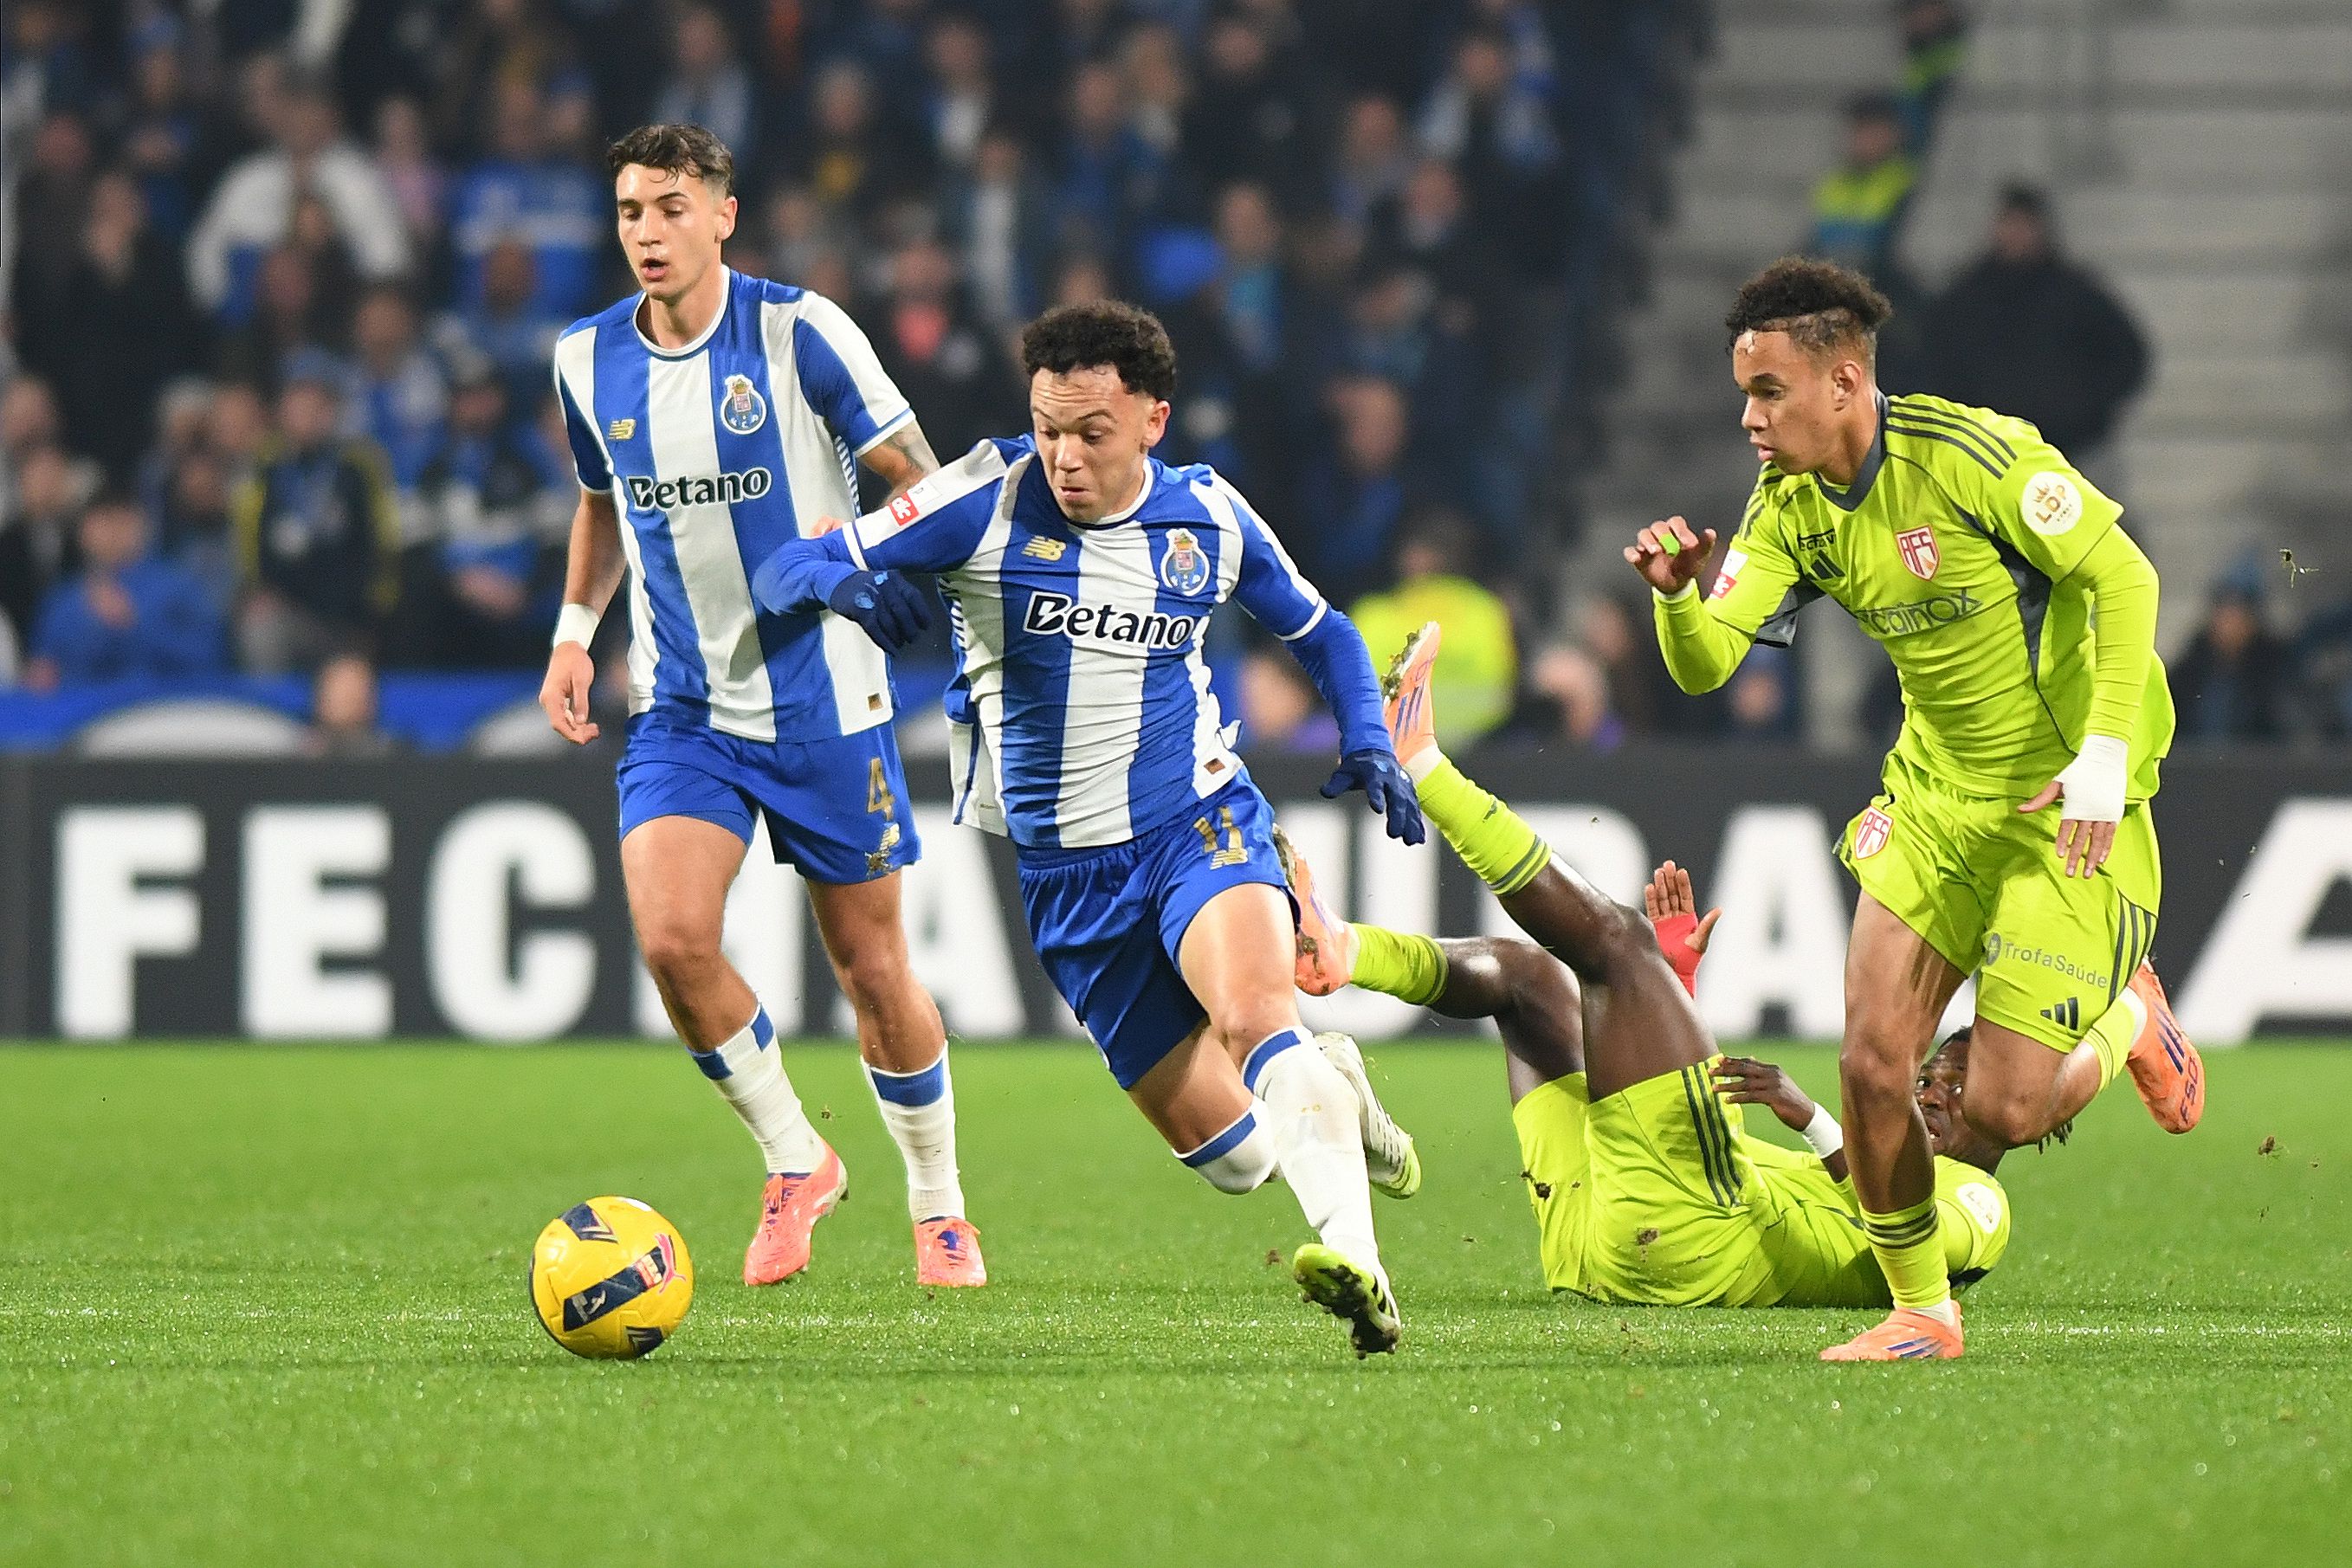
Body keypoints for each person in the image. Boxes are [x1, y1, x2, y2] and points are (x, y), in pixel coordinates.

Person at [747, 300, 1428, 1357]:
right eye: (1048, 428)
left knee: (1256, 1019)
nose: (1064, 456)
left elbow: (1321, 627)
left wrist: (1369, 737)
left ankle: (1365, 1277)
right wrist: (842, 583)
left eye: (1091, 432)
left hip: (1197, 820)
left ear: (1153, 420)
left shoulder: (1207, 517)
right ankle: (1331, 1078)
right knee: (1238, 1160)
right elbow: (781, 568)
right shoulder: (980, 498)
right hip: (1069, 880)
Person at [1624, 257, 2202, 1360]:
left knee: (2004, 1109)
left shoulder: (1972, 456)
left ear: (1844, 380)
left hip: (2057, 802)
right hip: (1933, 802)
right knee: (1870, 1060)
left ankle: (2130, 1014)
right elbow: (1705, 666)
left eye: (1769, 391)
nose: (1749, 418)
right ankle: (1924, 1312)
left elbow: (2123, 577)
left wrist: (2101, 753)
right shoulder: (1788, 506)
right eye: (1744, 393)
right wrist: (1679, 600)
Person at [538, 124, 986, 1291]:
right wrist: (575, 632)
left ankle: (939, 1202)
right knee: (673, 939)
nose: (648, 232)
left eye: (671, 208)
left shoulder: (800, 331)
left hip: (827, 699)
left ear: (723, 216)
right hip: (684, 705)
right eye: (631, 211)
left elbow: (921, 478)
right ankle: (797, 1156)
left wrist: (860, 562)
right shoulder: (585, 359)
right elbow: (601, 503)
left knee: (872, 969)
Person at [1282, 632, 2014, 1313]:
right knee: (1527, 978)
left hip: (1689, 1244)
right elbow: (1689, 1138)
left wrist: (1816, 1120)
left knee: (1618, 942)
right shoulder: (1879, 1154)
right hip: (1609, 1230)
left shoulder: (1978, 1201)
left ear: (2009, 1111)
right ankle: (1342, 951)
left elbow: (1912, 1233)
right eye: (1930, 1076)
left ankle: (1422, 765)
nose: (1932, 1091)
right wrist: (1674, 989)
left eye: (1956, 1083)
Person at [1921, 185, 2150, 476]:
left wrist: (2084, 412)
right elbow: (1936, 362)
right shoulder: (1965, 299)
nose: (2017, 234)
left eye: (2025, 225)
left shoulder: (2077, 294)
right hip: (1987, 455)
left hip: (2072, 451)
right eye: (2010, 224)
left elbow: (2127, 356)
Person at [26, 488, 225, 687]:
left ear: (143, 527)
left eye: (123, 522)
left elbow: (210, 657)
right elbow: (44, 666)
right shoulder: (62, 600)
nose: (113, 533)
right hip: (84, 704)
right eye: (104, 522)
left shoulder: (179, 587)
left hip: (161, 702)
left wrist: (134, 625)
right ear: (83, 531)